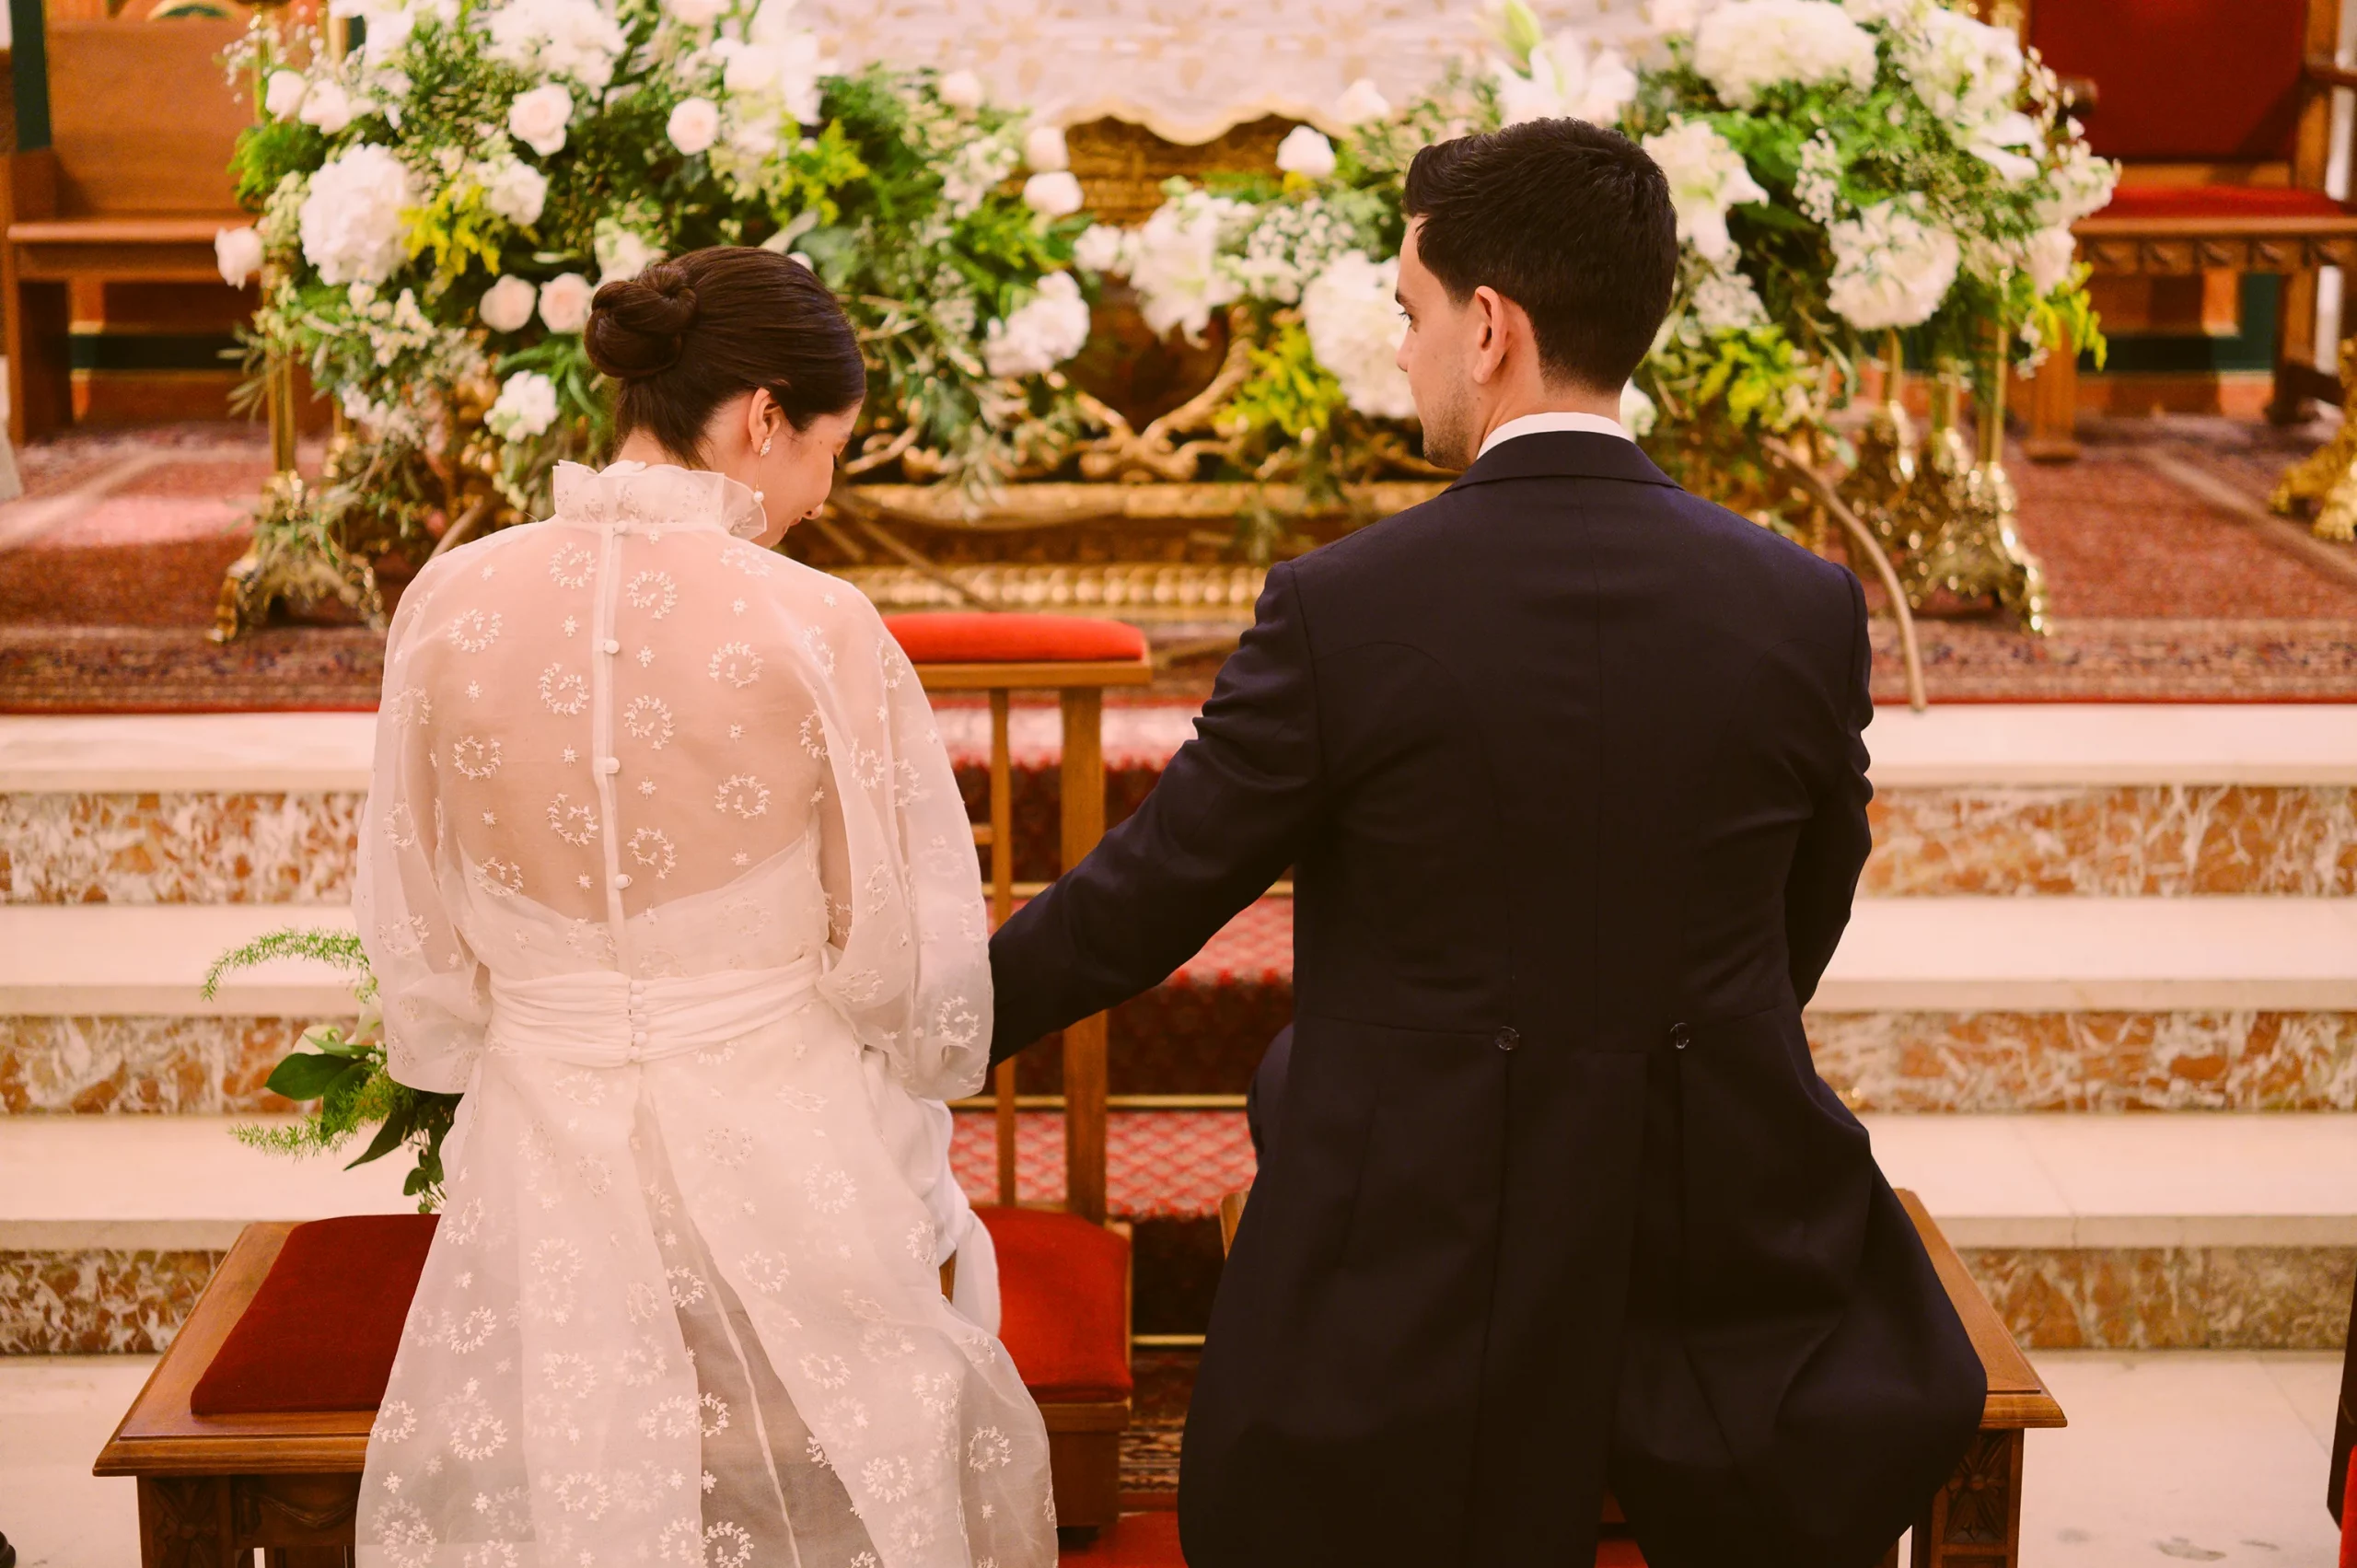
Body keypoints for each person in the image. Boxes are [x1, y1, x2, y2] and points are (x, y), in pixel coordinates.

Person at [986, 119, 1985, 1568]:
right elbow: (1801, 918)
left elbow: (1146, 900)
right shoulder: (1803, 604)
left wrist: (931, 1022)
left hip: (1422, 1271)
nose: (1403, 353)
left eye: (1411, 313)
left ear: (1492, 327)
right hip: (1720, 1246)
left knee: (1302, 1092)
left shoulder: (1343, 610)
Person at [355, 247, 1053, 1568]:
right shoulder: (815, 623)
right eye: (830, 449)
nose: (825, 491)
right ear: (765, 417)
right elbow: (892, 970)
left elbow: (423, 937)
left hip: (538, 1163)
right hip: (786, 1160)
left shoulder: (448, 599)